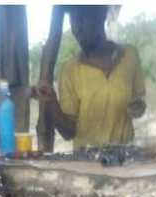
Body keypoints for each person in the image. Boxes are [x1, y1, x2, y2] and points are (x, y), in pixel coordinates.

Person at [37, 5, 146, 149]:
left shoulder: (130, 56)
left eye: (82, 19)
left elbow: (139, 103)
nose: (77, 29)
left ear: (100, 16)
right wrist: (51, 101)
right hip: (86, 162)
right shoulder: (70, 70)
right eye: (73, 22)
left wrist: (138, 107)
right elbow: (68, 133)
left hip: (125, 160)